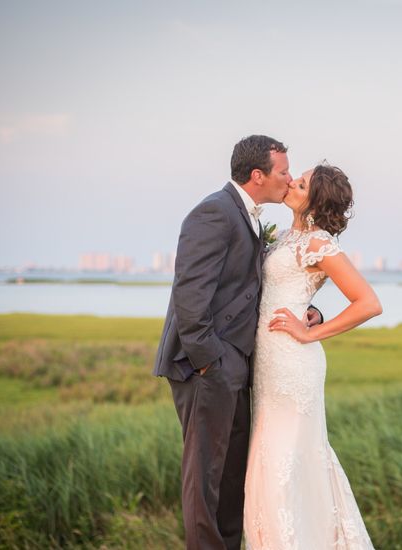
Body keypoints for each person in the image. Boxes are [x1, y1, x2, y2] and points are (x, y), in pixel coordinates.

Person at [153, 135, 321, 549]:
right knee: (205, 481)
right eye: (283, 171)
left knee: (231, 477)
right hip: (206, 369)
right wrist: (212, 362)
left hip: (236, 368)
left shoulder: (247, 216)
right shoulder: (214, 212)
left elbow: (249, 290)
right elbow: (190, 298)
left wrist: (308, 315)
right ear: (258, 175)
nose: (288, 178)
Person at [243, 164, 382, 549]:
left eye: (300, 183)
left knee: (285, 467)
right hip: (268, 365)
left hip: (293, 364)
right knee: (268, 463)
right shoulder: (289, 237)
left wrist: (312, 329)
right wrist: (312, 310)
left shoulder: (319, 243)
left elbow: (368, 303)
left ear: (315, 201)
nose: (290, 183)